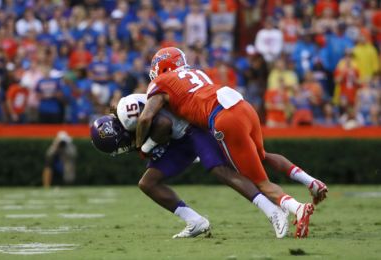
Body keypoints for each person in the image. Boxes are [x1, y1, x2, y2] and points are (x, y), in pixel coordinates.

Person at [136, 47, 328, 238]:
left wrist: (140, 145)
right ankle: (311, 182)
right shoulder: (197, 73)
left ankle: (296, 208)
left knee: (259, 181)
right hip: (242, 106)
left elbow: (145, 118)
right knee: (261, 155)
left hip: (224, 118)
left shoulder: (160, 82)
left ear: (162, 67)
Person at [91, 94, 290, 239]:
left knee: (223, 170)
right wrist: (146, 145)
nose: (121, 149)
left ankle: (272, 210)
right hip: (178, 141)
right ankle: (195, 221)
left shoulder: (128, 113)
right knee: (148, 183)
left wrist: (146, 145)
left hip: (191, 130)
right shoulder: (127, 121)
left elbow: (164, 125)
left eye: (118, 146)